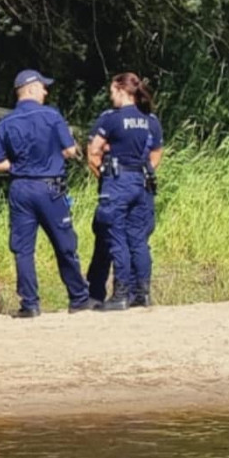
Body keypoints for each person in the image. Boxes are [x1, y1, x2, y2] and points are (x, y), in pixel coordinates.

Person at [0, 69, 92, 317]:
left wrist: (19, 167)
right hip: (49, 187)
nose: (46, 92)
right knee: (64, 243)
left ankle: (30, 303)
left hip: (20, 188)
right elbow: (69, 151)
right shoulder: (51, 116)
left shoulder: (5, 123)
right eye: (43, 87)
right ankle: (78, 297)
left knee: (23, 248)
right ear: (32, 89)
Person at [86, 73, 164, 310]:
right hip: (142, 183)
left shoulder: (112, 119)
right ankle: (142, 294)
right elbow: (157, 153)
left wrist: (104, 173)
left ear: (122, 90)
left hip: (117, 181)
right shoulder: (150, 120)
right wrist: (143, 170)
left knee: (116, 237)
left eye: (112, 92)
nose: (111, 97)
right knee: (138, 240)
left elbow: (93, 151)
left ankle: (120, 295)